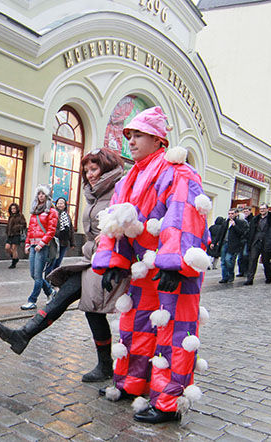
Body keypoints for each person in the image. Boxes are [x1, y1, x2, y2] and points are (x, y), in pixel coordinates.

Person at [92, 106, 211, 424]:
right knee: (137, 326)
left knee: (174, 333)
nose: (130, 140)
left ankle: (169, 401)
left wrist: (175, 264)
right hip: (144, 268)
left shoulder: (178, 172)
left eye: (138, 134)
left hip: (172, 269)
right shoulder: (130, 177)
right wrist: (116, 260)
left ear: (158, 138)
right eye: (129, 134)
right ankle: (132, 383)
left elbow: (183, 214)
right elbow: (116, 220)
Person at [0, 148, 129, 383]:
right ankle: (25, 335)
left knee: (90, 309)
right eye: (87, 170)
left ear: (106, 168)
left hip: (111, 261)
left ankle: (108, 365)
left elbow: (132, 220)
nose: (90, 174)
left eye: (94, 169)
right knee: (68, 299)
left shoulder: (121, 188)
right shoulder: (95, 194)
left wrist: (114, 233)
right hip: (91, 259)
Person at [19, 185, 58, 310]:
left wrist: (42, 243)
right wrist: (27, 243)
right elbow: (30, 229)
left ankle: (32, 300)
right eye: (39, 194)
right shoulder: (35, 211)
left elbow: (51, 230)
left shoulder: (51, 211)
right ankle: (50, 292)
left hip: (42, 246)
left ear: (47, 196)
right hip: (33, 245)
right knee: (34, 274)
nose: (41, 196)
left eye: (43, 194)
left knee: (37, 276)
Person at [244, 203, 271, 285]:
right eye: (260, 209)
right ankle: (250, 279)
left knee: (266, 261)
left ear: (267, 209)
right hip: (256, 241)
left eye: (263, 208)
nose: (262, 210)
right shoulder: (256, 219)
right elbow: (252, 230)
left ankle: (268, 277)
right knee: (252, 260)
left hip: (267, 242)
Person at [214, 209, 248, 283]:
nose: (230, 215)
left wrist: (234, 226)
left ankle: (231, 274)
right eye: (229, 213)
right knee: (223, 261)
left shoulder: (240, 222)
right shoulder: (225, 223)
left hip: (233, 245)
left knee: (228, 260)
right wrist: (214, 242)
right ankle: (224, 277)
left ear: (236, 214)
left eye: (232, 213)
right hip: (224, 243)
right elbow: (220, 233)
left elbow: (241, 233)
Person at [45, 197, 75, 274]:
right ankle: (47, 281)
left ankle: (53, 281)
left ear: (65, 205)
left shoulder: (67, 216)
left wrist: (72, 243)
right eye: (58, 203)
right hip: (54, 242)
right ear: (56, 204)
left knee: (58, 263)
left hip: (64, 242)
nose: (60, 204)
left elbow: (71, 230)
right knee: (52, 261)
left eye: (62, 203)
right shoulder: (53, 214)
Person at [5, 203, 26, 269]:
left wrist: (17, 227)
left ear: (17, 209)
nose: (13, 210)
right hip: (10, 234)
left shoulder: (20, 216)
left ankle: (13, 263)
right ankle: (15, 258)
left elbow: (24, 225)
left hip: (17, 234)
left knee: (14, 248)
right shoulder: (10, 216)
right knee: (7, 247)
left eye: (14, 208)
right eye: (11, 209)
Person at [236, 206, 254, 276]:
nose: (245, 213)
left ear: (250, 211)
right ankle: (241, 271)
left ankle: (246, 270)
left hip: (248, 240)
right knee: (240, 257)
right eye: (244, 211)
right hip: (241, 240)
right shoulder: (241, 220)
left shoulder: (252, 219)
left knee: (245, 255)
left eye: (247, 211)